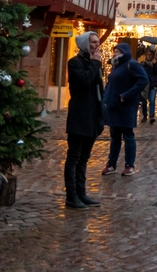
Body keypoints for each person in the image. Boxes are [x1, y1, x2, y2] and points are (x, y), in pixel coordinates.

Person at [64, 31, 104, 209]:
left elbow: (99, 91)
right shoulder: (75, 63)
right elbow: (84, 80)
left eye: (97, 42)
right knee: (74, 157)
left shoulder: (93, 64)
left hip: (92, 117)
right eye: (93, 42)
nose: (97, 45)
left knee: (84, 159)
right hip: (79, 117)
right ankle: (71, 196)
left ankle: (81, 193)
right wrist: (95, 63)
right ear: (85, 45)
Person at [101, 43, 149, 177]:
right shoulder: (115, 66)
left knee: (128, 135)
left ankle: (129, 165)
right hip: (114, 105)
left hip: (126, 106)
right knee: (114, 136)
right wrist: (106, 98)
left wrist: (127, 95)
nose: (115, 54)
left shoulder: (132, 64)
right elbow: (110, 84)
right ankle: (111, 164)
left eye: (118, 51)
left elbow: (143, 80)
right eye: (114, 51)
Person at [139, 46, 157, 124]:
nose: (148, 56)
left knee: (152, 100)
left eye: (150, 55)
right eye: (147, 54)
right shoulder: (143, 64)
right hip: (145, 86)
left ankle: (152, 116)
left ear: (152, 56)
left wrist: (155, 64)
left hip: (152, 85)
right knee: (144, 101)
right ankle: (145, 115)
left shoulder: (155, 64)